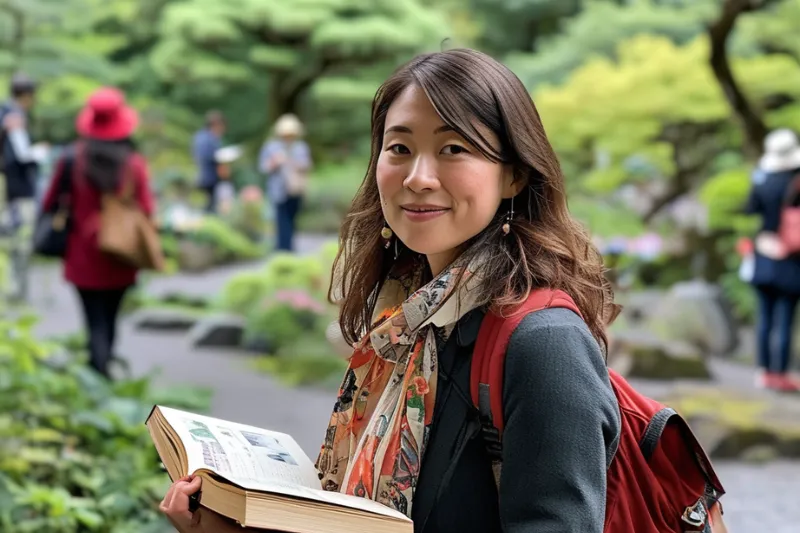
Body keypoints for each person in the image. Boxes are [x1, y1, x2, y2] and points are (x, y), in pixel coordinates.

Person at [162, 49, 621, 532]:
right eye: (399, 148)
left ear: (514, 175)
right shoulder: (405, 324)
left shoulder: (544, 344)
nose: (418, 178)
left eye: (454, 149)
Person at [41, 87, 155, 379]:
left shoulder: (71, 159)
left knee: (93, 320)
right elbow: (146, 209)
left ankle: (97, 369)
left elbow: (50, 202)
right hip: (121, 254)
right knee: (111, 316)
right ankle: (104, 368)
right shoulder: (134, 164)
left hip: (83, 255)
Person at [744, 128, 800, 392]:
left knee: (765, 316)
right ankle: (780, 372)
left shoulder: (762, 179)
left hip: (763, 250)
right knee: (785, 317)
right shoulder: (796, 179)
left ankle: (763, 372)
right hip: (791, 255)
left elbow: (749, 209)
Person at [1, 73, 48, 300]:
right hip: (18, 189)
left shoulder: (4, 112)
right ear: (27, 95)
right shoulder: (15, 116)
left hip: (8, 188)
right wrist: (40, 152)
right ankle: (16, 290)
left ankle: (13, 288)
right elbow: (22, 154)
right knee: (19, 239)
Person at [259, 114, 312, 252]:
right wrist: (275, 162)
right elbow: (263, 167)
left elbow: (307, 165)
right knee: (281, 219)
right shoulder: (271, 147)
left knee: (291, 218)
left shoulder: (301, 147)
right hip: (278, 190)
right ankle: (283, 248)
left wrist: (293, 163)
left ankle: (287, 247)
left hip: (296, 189)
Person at [192, 110, 226, 213]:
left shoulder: (198, 136)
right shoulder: (211, 138)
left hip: (199, 176)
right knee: (210, 209)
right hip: (209, 177)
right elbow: (214, 157)